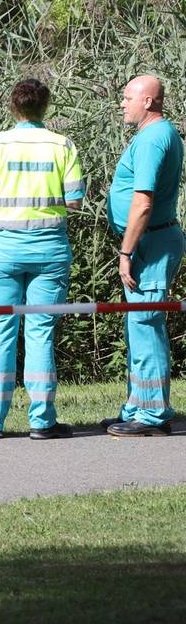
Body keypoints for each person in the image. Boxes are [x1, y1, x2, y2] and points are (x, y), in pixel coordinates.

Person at [0, 79, 86, 439]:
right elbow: (75, 200)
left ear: (13, 107)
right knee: (41, 333)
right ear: (46, 107)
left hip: (4, 249)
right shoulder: (62, 145)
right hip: (48, 249)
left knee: (1, 334)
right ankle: (41, 420)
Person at [102, 75, 183, 436]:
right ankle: (138, 405)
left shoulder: (152, 139)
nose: (123, 103)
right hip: (148, 241)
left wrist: (126, 252)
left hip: (149, 243)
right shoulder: (155, 134)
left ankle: (151, 415)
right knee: (138, 325)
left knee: (146, 324)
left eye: (128, 97)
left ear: (148, 102)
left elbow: (143, 201)